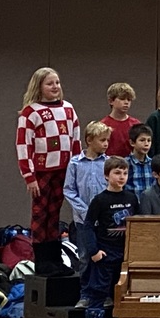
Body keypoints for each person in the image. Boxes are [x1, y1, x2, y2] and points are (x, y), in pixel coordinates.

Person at [17, 67, 81, 276]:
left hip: (63, 170)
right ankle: (41, 260)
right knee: (40, 215)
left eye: (57, 83)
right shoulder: (30, 112)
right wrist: (29, 176)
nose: (55, 87)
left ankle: (54, 258)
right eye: (49, 83)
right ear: (39, 87)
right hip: (41, 173)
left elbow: (75, 141)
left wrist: (76, 171)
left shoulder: (69, 109)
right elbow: (23, 146)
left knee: (54, 216)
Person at [82, 156, 139, 318]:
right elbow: (88, 225)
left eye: (125, 173)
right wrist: (93, 251)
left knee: (123, 295)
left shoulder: (131, 198)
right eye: (117, 173)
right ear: (106, 175)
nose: (121, 177)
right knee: (98, 293)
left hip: (125, 256)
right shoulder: (100, 200)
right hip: (105, 255)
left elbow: (138, 225)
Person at [63, 121, 111, 300]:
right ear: (89, 140)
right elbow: (69, 189)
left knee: (104, 257)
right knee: (85, 256)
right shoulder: (75, 163)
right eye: (102, 140)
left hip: (104, 220)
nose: (106, 144)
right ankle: (85, 294)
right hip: (83, 221)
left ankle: (103, 294)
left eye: (107, 140)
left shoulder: (108, 162)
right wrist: (85, 211)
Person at [102, 82, 140, 158]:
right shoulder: (103, 125)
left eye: (129, 100)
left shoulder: (136, 125)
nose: (126, 102)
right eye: (122, 99)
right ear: (111, 101)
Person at [125, 124, 154, 199]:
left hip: (149, 207)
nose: (146, 144)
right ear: (132, 143)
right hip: (132, 206)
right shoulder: (125, 163)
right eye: (142, 140)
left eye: (149, 140)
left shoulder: (153, 164)